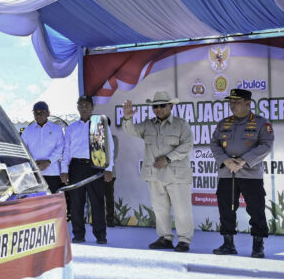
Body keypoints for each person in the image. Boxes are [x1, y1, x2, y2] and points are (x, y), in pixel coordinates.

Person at [122, 91, 194, 252]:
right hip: (154, 175)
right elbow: (131, 130)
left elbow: (187, 145)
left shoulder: (181, 125)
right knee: (160, 209)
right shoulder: (147, 124)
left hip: (177, 175)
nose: (158, 109)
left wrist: (168, 158)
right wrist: (127, 118)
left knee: (182, 209)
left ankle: (184, 240)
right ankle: (165, 238)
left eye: (162, 105)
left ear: (171, 106)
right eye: (155, 106)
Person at [210, 88, 274, 257]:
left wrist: (244, 161)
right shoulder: (224, 123)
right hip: (227, 173)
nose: (232, 105)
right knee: (226, 209)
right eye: (231, 102)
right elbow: (214, 144)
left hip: (250, 174)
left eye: (236, 102)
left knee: (256, 209)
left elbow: (266, 145)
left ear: (248, 103)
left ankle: (258, 245)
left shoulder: (261, 123)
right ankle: (228, 244)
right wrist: (226, 161)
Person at [60, 96, 113, 244]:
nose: (84, 108)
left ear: (92, 107)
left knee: (97, 203)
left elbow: (109, 147)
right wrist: (64, 170)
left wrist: (109, 168)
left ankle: (101, 236)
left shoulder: (99, 124)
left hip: (95, 165)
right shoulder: (71, 128)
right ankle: (78, 235)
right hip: (76, 167)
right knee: (76, 203)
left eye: (87, 105)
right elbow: (67, 151)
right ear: (77, 107)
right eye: (81, 105)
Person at [22, 101, 64, 194]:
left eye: (41, 112)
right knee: (36, 202)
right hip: (34, 173)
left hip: (53, 173)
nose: (38, 115)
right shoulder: (27, 131)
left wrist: (48, 162)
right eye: (36, 112)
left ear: (48, 113)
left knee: (53, 202)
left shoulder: (56, 129)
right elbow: (23, 149)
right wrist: (33, 163)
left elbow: (60, 148)